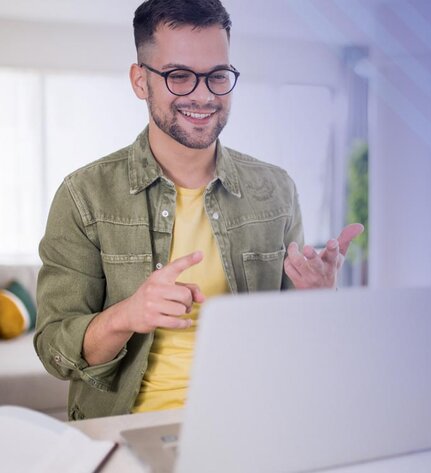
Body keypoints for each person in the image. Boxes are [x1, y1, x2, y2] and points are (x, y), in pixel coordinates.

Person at [34, 0, 363, 420]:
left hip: (254, 420)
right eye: (179, 76)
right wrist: (127, 315)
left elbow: (295, 343)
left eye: (217, 76)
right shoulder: (84, 195)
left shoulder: (276, 190)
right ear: (140, 81)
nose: (203, 95)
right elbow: (53, 350)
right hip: (131, 428)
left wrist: (318, 301)